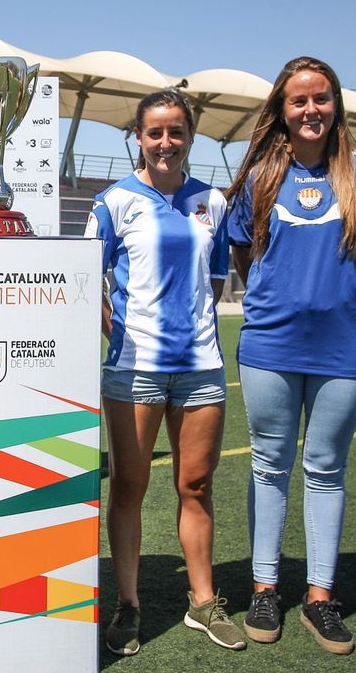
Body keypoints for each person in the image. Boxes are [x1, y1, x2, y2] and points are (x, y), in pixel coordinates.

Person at [225, 56, 356, 655]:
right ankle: (266, 587)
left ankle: (321, 596)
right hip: (271, 344)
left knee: (327, 468)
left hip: (345, 346)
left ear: (335, 106)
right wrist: (288, 300)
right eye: (298, 100)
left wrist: (335, 300)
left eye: (320, 98)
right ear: (281, 109)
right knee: (269, 466)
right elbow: (247, 259)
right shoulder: (258, 178)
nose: (310, 110)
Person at [87, 89, 243, 656]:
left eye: (176, 131)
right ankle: (128, 606)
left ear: (189, 138)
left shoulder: (214, 202)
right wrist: (122, 333)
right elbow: (89, 283)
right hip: (135, 370)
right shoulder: (112, 202)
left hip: (201, 370)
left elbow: (217, 281)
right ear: (139, 137)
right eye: (155, 132)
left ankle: (203, 601)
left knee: (196, 486)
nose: (165, 142)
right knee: (129, 486)